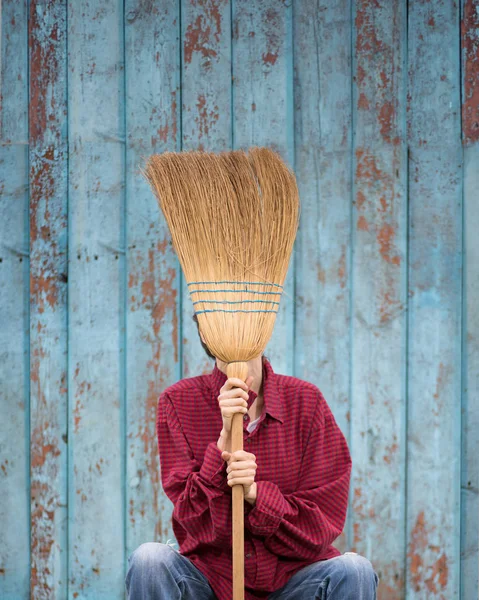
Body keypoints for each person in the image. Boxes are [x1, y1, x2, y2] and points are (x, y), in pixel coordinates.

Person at [125, 315, 379, 599]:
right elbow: (191, 521)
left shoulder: (306, 401)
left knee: (355, 570)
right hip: (210, 581)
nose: (235, 327)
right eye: (221, 320)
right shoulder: (178, 401)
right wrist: (222, 444)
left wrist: (256, 495)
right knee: (149, 561)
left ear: (264, 328)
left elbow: (322, 524)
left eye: (246, 318)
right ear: (205, 334)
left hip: (293, 582)